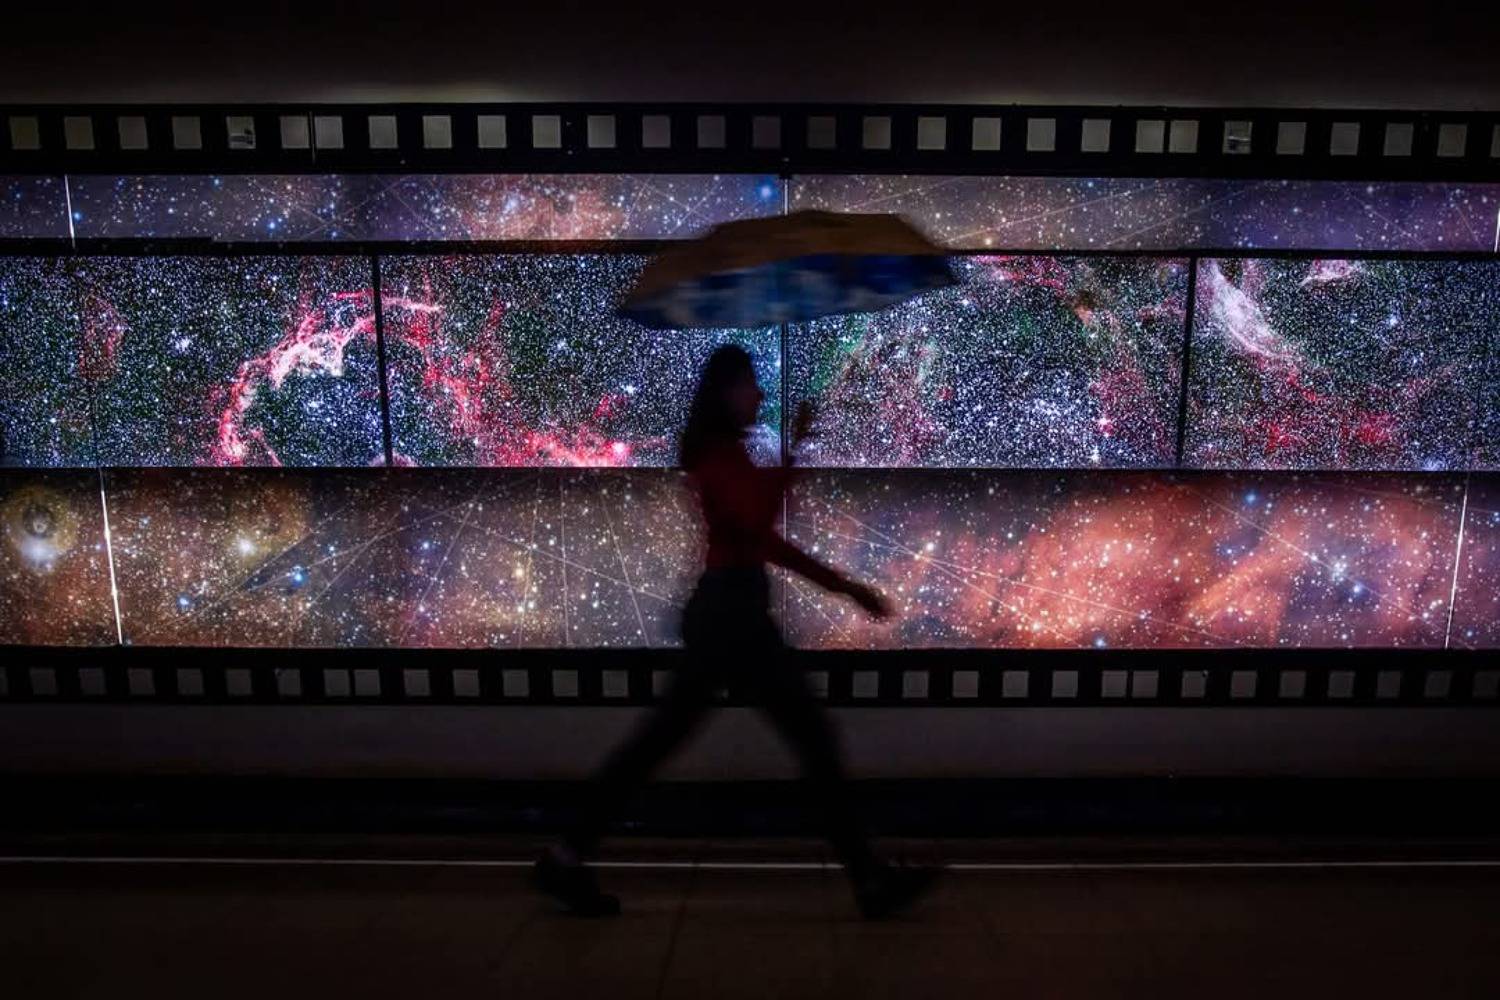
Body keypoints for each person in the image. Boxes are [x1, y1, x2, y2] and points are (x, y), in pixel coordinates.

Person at [535, 345, 938, 919]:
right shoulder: (717, 456)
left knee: (666, 743)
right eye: (750, 383)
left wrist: (842, 584)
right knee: (808, 741)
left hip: (731, 613)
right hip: (733, 618)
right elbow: (757, 524)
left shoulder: (723, 454)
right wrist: (797, 455)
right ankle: (870, 881)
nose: (760, 393)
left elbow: (759, 535)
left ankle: (566, 856)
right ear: (726, 391)